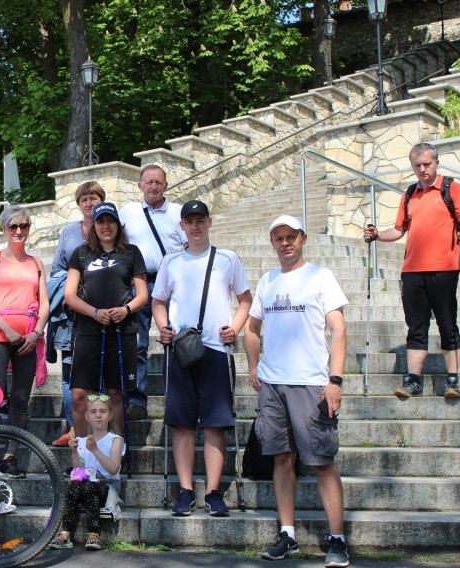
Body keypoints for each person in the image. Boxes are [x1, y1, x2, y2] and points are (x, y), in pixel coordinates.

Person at [245, 215, 349, 568]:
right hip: (273, 384)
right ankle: (287, 533)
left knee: (321, 461)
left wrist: (335, 380)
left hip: (311, 382)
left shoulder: (321, 276)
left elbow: (338, 329)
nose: (285, 243)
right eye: (279, 238)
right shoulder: (267, 280)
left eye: (291, 237)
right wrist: (253, 364)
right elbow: (252, 328)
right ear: (272, 242)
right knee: (281, 459)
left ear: (303, 238)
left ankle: (337, 539)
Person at [151, 200, 252, 517]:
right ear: (181, 225)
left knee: (215, 424)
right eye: (189, 221)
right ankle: (184, 490)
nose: (194, 226)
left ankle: (212, 492)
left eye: (200, 220)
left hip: (216, 350)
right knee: (181, 423)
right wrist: (164, 328)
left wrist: (234, 328)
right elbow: (158, 301)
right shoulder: (172, 261)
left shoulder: (227, 258)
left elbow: (245, 299)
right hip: (182, 349)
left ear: (209, 222)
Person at [363, 143, 460, 399]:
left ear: (436, 163)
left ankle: (453, 380)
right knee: (416, 327)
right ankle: (413, 380)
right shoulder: (409, 194)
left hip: (445, 269)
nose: (423, 169)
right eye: (418, 165)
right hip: (412, 270)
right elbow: (399, 230)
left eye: (427, 164)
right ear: (413, 166)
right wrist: (378, 234)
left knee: (448, 325)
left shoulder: (451, 188)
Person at [0, 207, 49, 479]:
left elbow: (44, 304)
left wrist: (36, 333)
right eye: (13, 226)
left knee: (20, 399)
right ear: (4, 229)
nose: (19, 231)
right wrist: (6, 328)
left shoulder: (36, 263)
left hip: (27, 338)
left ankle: (10, 456)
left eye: (24, 226)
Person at [65, 202, 148, 439]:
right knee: (80, 394)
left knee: (116, 394)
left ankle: (115, 458)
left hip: (122, 330)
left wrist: (126, 309)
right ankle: (83, 458)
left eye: (110, 221)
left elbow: (142, 295)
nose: (105, 226)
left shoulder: (131, 252)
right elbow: (70, 295)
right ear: (94, 225)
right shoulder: (80, 253)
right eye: (100, 221)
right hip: (88, 330)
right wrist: (93, 312)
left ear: (117, 225)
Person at [118, 165, 186, 420]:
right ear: (140, 185)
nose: (153, 186)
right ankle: (136, 398)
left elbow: (189, 247)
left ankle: (179, 396)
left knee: (179, 340)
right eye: (149, 182)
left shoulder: (178, 212)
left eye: (158, 182)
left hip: (174, 284)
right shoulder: (129, 212)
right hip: (140, 283)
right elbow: (117, 242)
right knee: (138, 343)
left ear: (165, 185)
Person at [48, 181, 106, 447]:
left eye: (93, 198)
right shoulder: (69, 232)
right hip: (72, 315)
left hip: (101, 312)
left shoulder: (108, 229)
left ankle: (100, 433)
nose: (88, 203)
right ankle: (74, 430)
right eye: (84, 199)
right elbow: (57, 271)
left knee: (100, 374)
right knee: (70, 372)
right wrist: (76, 281)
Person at [48, 394, 124, 551]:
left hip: (106, 487)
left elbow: (113, 469)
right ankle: (65, 533)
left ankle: (93, 534)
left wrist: (95, 450)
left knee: (89, 486)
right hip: (85, 486)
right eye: (93, 412)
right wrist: (74, 451)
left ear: (110, 415)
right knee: (75, 485)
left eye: (102, 411)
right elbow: (78, 471)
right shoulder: (82, 440)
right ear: (87, 416)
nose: (98, 415)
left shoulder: (115, 440)